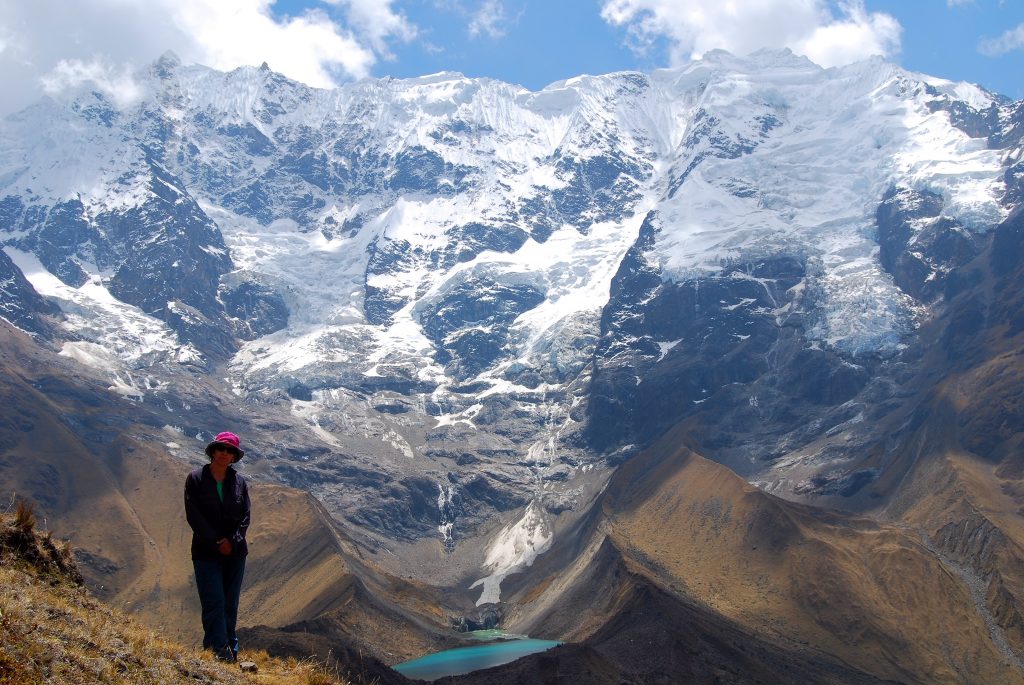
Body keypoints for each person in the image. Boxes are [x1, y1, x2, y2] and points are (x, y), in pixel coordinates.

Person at [184, 431, 251, 663]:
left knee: (230, 604)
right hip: (205, 552)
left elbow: (245, 517)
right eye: (221, 448)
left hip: (235, 553)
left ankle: (230, 650)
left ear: (234, 457)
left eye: (230, 450)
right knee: (214, 601)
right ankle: (216, 651)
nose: (225, 453)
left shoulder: (240, 483)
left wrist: (232, 541)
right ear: (213, 451)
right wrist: (216, 541)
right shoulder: (195, 478)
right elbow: (194, 514)